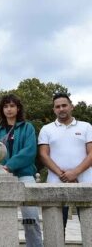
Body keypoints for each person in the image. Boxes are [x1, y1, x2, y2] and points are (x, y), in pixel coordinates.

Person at [0, 94, 43, 247]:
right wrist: (1, 169)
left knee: (31, 219)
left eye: (12, 106)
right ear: (2, 109)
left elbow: (30, 151)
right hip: (3, 178)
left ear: (18, 108)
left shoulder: (28, 127)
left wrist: (8, 166)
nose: (9, 109)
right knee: (2, 219)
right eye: (5, 106)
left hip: (25, 176)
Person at [38, 93, 92, 230]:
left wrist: (75, 172)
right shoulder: (46, 129)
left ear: (71, 106)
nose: (61, 109)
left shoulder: (86, 127)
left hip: (85, 179)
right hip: (56, 180)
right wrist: (62, 174)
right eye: (57, 106)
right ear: (54, 110)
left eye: (64, 105)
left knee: (89, 226)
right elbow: (43, 155)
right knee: (56, 227)